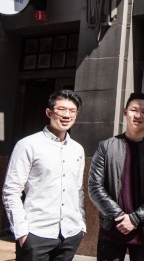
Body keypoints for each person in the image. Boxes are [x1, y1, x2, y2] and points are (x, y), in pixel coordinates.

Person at [88, 92, 144, 261]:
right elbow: (94, 187)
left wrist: (135, 218)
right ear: (125, 112)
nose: (138, 115)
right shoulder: (106, 147)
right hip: (112, 227)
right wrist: (120, 217)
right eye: (134, 110)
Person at [2, 89, 85, 261]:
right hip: (36, 234)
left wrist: (81, 224)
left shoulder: (78, 149)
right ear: (49, 112)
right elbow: (11, 190)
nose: (66, 115)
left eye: (72, 111)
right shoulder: (28, 145)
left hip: (70, 234)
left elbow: (78, 190)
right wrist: (22, 232)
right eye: (61, 109)